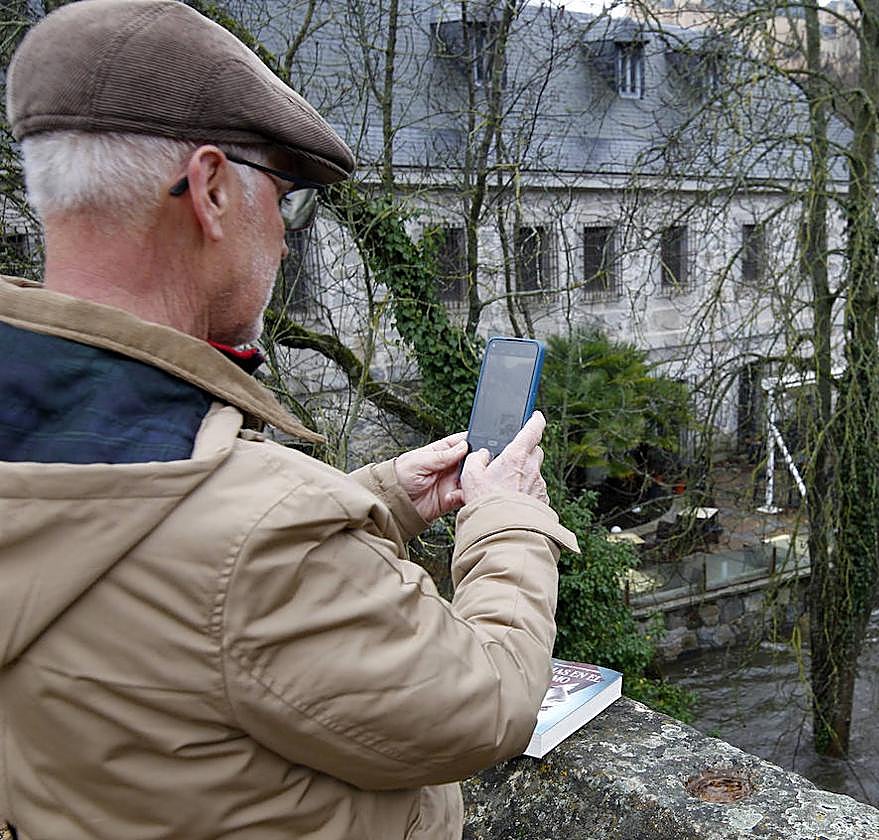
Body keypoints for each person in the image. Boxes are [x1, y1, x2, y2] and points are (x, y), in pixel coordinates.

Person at [0, 1, 577, 837]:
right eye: (284, 194)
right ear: (211, 190)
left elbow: (166, 564)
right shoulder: (262, 544)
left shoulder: (55, 443)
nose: (282, 236)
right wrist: (510, 520)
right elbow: (483, 707)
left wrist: (371, 502)